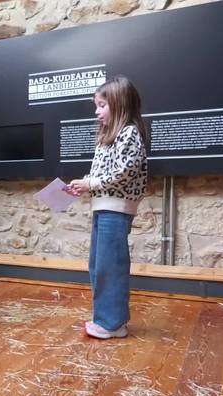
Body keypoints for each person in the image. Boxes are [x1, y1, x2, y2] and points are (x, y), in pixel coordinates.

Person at [66, 76, 148, 339]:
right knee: (99, 265)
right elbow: (104, 173)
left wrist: (89, 183)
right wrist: (84, 184)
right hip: (104, 206)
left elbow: (121, 172)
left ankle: (111, 323)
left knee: (110, 266)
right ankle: (109, 318)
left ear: (119, 104)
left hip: (116, 208)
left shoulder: (129, 133)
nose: (96, 111)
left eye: (102, 105)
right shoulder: (109, 137)